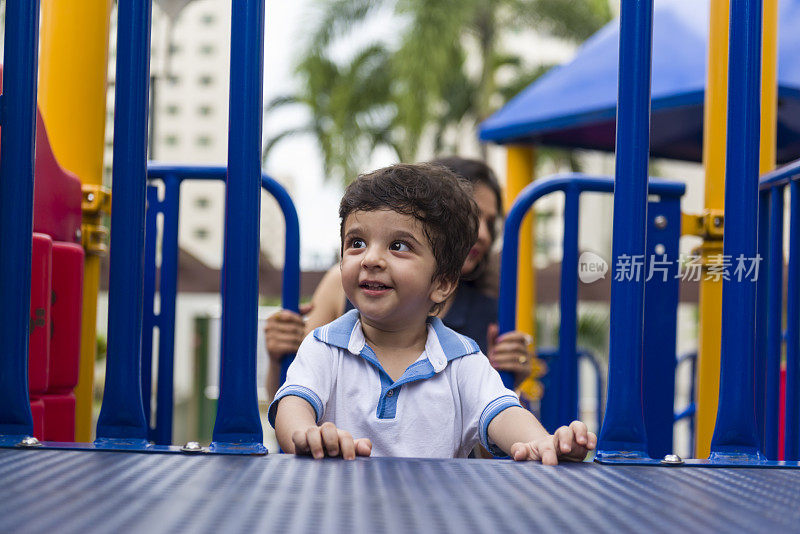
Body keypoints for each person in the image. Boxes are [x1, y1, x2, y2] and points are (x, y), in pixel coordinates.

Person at [269, 164, 596, 461]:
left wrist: (541, 441)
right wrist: (306, 434)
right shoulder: (325, 346)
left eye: (398, 246)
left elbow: (502, 410)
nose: (371, 259)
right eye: (357, 243)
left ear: (441, 283)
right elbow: (293, 403)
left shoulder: (460, 360)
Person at [264, 157, 540, 400]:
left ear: (443, 283)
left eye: (490, 222)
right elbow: (293, 393)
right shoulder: (341, 291)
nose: (483, 234)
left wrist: (507, 383)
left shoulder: (486, 317)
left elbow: (491, 437)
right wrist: (282, 357)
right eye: (472, 215)